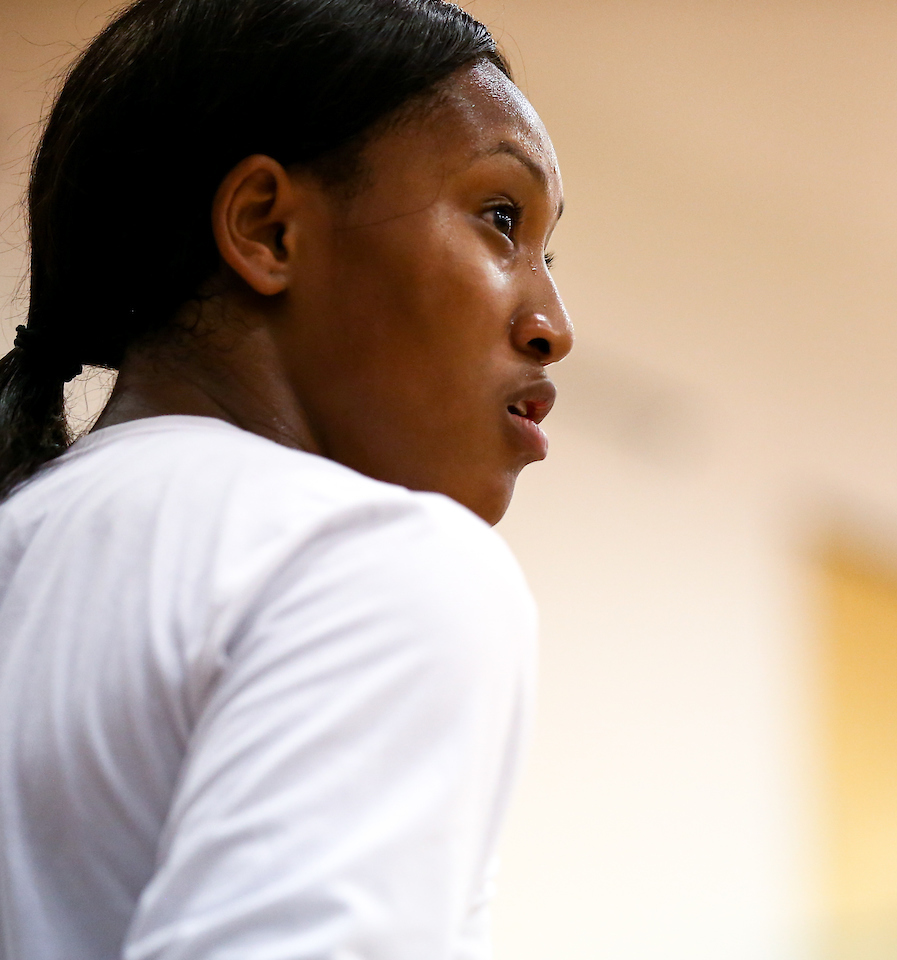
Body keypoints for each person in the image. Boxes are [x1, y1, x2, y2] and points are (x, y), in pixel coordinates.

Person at [0, 0, 572, 956]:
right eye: (500, 218)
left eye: (548, 253)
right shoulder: (376, 563)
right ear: (268, 229)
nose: (552, 321)